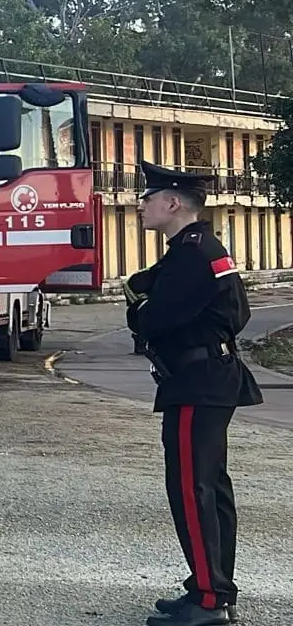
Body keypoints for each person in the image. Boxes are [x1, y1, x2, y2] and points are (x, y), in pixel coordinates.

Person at [126, 161, 263, 626]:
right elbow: (236, 310)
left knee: (192, 489)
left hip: (197, 381)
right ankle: (214, 589)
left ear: (172, 203)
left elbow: (155, 318)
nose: (140, 206)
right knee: (210, 488)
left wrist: (141, 307)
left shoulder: (191, 253)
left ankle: (208, 600)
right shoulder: (199, 248)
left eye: (148, 198)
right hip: (208, 377)